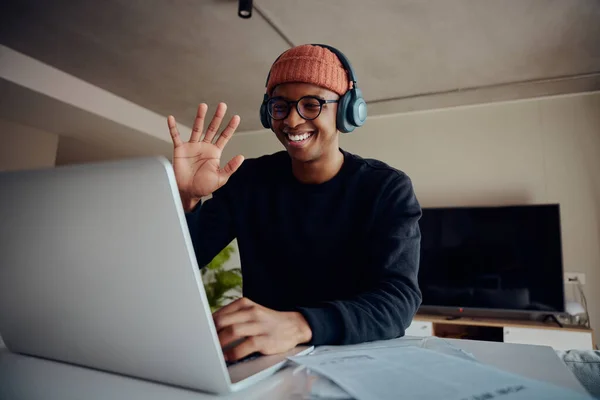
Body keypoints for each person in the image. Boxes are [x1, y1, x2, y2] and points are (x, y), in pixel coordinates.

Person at [167, 44, 422, 362]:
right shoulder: (248, 180)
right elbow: (187, 260)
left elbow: (398, 300)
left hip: (355, 358)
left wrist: (301, 325)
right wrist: (188, 198)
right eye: (280, 106)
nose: (292, 120)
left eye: (311, 105)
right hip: (263, 359)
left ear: (346, 110)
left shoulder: (386, 188)